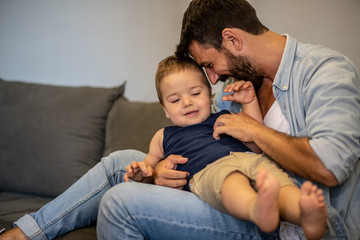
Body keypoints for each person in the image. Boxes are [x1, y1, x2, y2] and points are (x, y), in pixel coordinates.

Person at [1, 0, 359, 239]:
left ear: (232, 39)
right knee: (120, 163)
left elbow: (330, 167)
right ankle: (26, 232)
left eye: (208, 65)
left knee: (120, 201)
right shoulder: (234, 82)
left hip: (280, 215)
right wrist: (157, 175)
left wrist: (255, 131)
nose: (212, 81)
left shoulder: (324, 72)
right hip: (222, 183)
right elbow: (202, 146)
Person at [124, 55, 327, 239]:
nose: (187, 102)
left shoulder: (225, 116)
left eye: (195, 93)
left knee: (276, 180)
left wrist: (249, 102)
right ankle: (255, 209)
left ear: (210, 96)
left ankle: (304, 214)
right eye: (175, 100)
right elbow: (149, 168)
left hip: (251, 158)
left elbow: (255, 144)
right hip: (208, 171)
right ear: (165, 110)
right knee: (231, 179)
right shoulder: (162, 136)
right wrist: (141, 172)